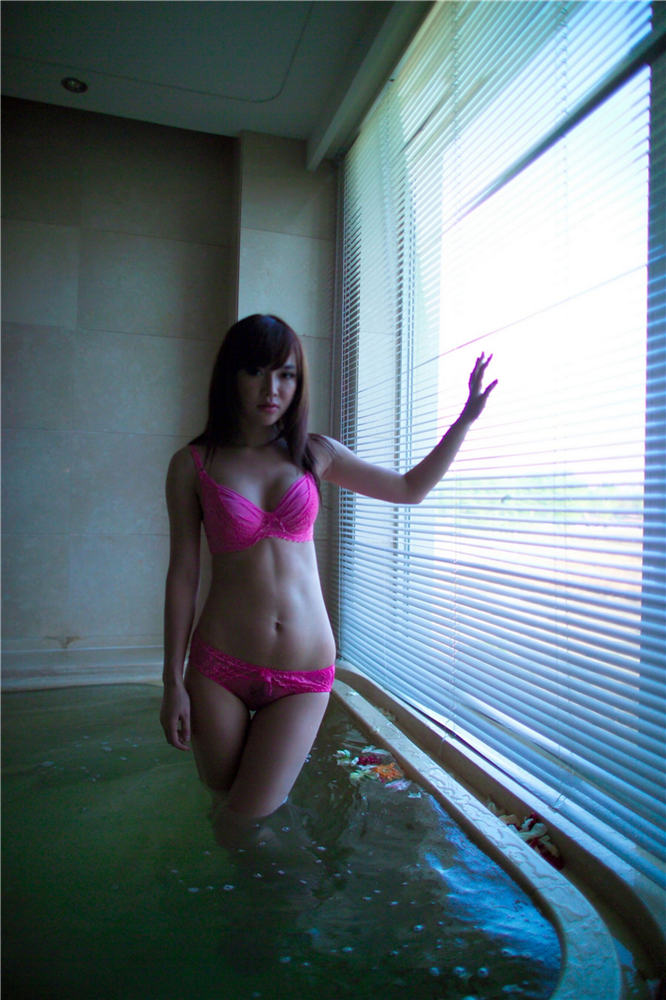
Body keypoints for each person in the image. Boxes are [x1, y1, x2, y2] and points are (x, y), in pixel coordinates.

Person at [160, 314, 496, 847]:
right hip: (218, 668)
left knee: (241, 824)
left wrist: (465, 420)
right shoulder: (193, 464)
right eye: (256, 372)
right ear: (230, 375)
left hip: (304, 672)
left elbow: (409, 489)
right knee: (227, 810)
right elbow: (183, 573)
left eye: (286, 375)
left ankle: (290, 891)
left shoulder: (317, 454)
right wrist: (172, 680)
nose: (272, 389)